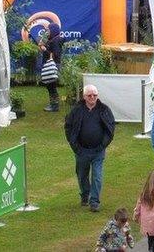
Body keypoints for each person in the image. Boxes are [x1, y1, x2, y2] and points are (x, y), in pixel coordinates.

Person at [65, 84, 116, 212]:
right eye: (89, 95)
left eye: (95, 95)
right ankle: (85, 194)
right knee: (82, 175)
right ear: (84, 96)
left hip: (98, 151)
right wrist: (75, 146)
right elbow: (68, 127)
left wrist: (103, 145)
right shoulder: (76, 110)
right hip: (81, 150)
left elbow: (110, 128)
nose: (92, 97)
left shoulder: (104, 109)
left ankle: (94, 201)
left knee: (97, 176)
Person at [38, 22, 64, 112]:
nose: (47, 31)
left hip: (53, 65)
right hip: (51, 64)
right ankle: (53, 104)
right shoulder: (52, 39)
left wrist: (45, 50)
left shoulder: (56, 40)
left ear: (53, 30)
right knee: (50, 86)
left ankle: (54, 106)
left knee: (51, 86)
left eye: (48, 30)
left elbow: (55, 54)